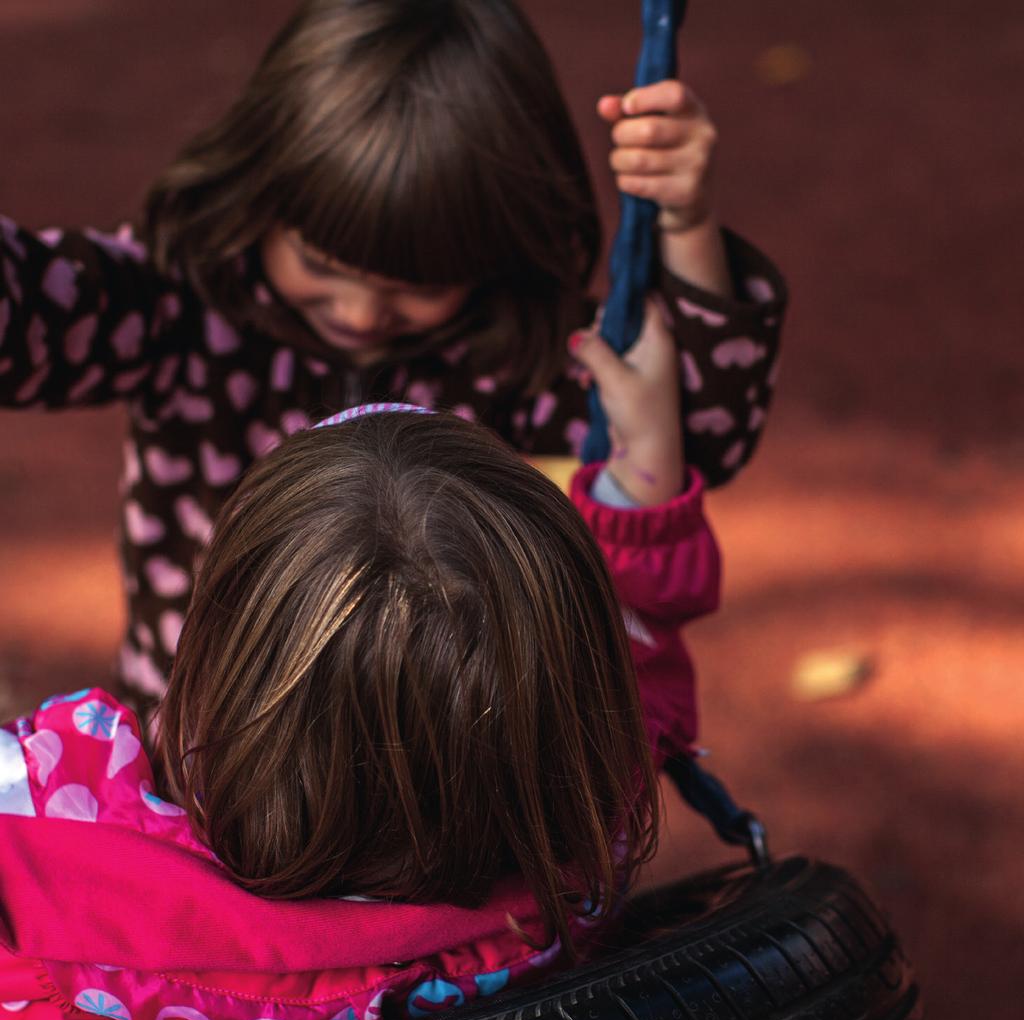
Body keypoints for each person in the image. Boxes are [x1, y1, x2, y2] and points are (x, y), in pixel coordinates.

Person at [0, 298, 718, 1020]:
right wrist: (645, 470)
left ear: (212, 699)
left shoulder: (50, 864)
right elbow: (634, 672)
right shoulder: (571, 843)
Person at [0, 0, 784, 721]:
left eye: (416, 286)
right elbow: (32, 317)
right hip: (196, 742)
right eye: (321, 263)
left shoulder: (510, 349)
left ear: (495, 250)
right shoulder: (181, 300)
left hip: (417, 783)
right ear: (261, 189)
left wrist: (684, 222)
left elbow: (696, 433)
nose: (360, 313)